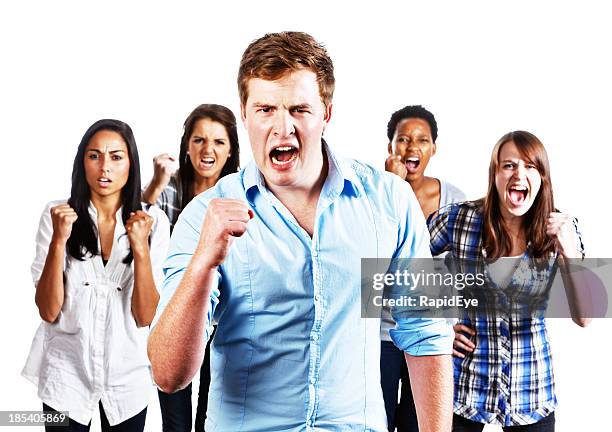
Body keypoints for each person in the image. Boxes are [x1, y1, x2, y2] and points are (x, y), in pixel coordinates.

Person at [148, 31, 454, 432]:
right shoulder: (203, 215)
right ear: (244, 113)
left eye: (298, 109)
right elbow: (169, 375)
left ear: (327, 113)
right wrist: (203, 264)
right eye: (265, 109)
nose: (282, 127)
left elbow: (425, 334)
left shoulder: (389, 202)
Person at [426, 130, 590, 431]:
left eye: (530, 166)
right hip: (466, 387)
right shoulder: (458, 219)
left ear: (542, 177)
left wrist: (569, 252)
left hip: (530, 390)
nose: (519, 174)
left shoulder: (562, 228)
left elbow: (585, 317)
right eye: (509, 165)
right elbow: (397, 270)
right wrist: (438, 325)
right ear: (495, 174)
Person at [22, 119, 170, 431]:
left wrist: (140, 249)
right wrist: (59, 241)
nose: (105, 168)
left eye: (116, 157)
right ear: (81, 162)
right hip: (66, 374)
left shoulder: (153, 221)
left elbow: (145, 317)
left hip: (127, 377)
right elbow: (48, 310)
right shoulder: (57, 215)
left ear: (131, 163)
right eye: (94, 156)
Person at [142, 104, 240, 432]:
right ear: (186, 145)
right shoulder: (171, 191)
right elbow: (137, 221)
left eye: (218, 142)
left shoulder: (241, 196)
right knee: (175, 420)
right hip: (175, 315)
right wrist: (157, 181)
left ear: (231, 151)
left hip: (222, 321)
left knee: (209, 417)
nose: (207, 150)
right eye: (198, 140)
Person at [383, 105, 466, 432]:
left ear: (434, 147)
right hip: (382, 332)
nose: (411, 147)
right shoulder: (376, 190)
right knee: (378, 419)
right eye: (403, 139)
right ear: (390, 146)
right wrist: (393, 187)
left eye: (422, 140)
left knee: (419, 423)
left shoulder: (453, 199)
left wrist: (457, 324)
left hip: (432, 331)